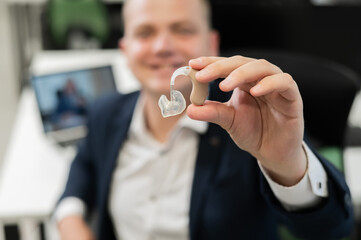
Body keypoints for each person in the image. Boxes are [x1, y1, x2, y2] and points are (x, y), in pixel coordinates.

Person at [54, 0, 354, 239]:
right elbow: (80, 175)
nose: (161, 47)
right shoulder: (104, 112)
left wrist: (286, 163)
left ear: (211, 44)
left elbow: (330, 229)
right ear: (125, 49)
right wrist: (70, 221)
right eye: (145, 33)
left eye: (183, 29)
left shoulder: (249, 118)